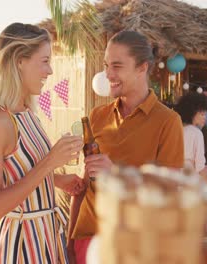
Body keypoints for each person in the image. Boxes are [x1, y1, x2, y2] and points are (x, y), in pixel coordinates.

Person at [67, 30, 185, 264]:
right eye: (106, 65)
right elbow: (84, 184)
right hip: (88, 241)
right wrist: (71, 240)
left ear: (142, 67)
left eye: (117, 66)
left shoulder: (168, 121)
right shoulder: (97, 116)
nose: (108, 74)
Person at [0, 22, 85, 264]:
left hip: (46, 237)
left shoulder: (26, 113)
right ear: (19, 61)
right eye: (44, 61)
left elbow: (16, 175)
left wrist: (56, 180)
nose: (50, 71)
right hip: (22, 245)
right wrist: (49, 164)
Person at [175, 92, 207, 203]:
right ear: (192, 113)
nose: (205, 117)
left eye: (205, 114)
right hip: (190, 176)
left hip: (177, 174)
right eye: (201, 114)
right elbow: (200, 165)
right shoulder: (197, 133)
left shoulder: (177, 129)